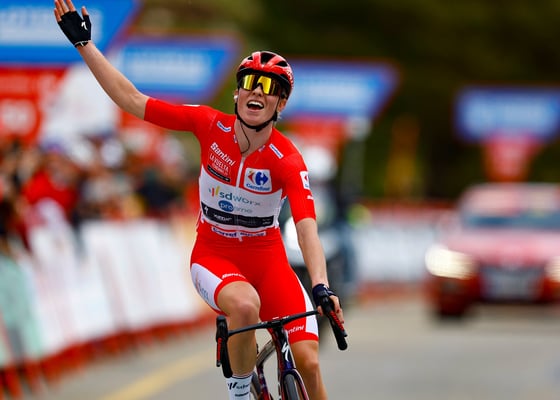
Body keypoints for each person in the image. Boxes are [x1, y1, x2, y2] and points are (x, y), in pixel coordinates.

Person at [54, 1, 345, 398]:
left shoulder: (287, 159)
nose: (256, 92)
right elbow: (132, 99)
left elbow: (308, 228)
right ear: (237, 92)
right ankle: (239, 392)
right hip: (214, 256)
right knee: (244, 306)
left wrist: (321, 286)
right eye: (250, 82)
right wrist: (85, 45)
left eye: (269, 88)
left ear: (281, 104)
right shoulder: (208, 125)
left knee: (309, 362)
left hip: (268, 261)